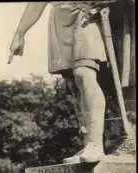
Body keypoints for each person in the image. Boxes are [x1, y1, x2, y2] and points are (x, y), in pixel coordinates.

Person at [9, 2, 112, 164]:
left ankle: (96, 143)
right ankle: (87, 144)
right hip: (59, 19)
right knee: (73, 85)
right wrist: (20, 33)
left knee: (83, 74)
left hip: (85, 15)